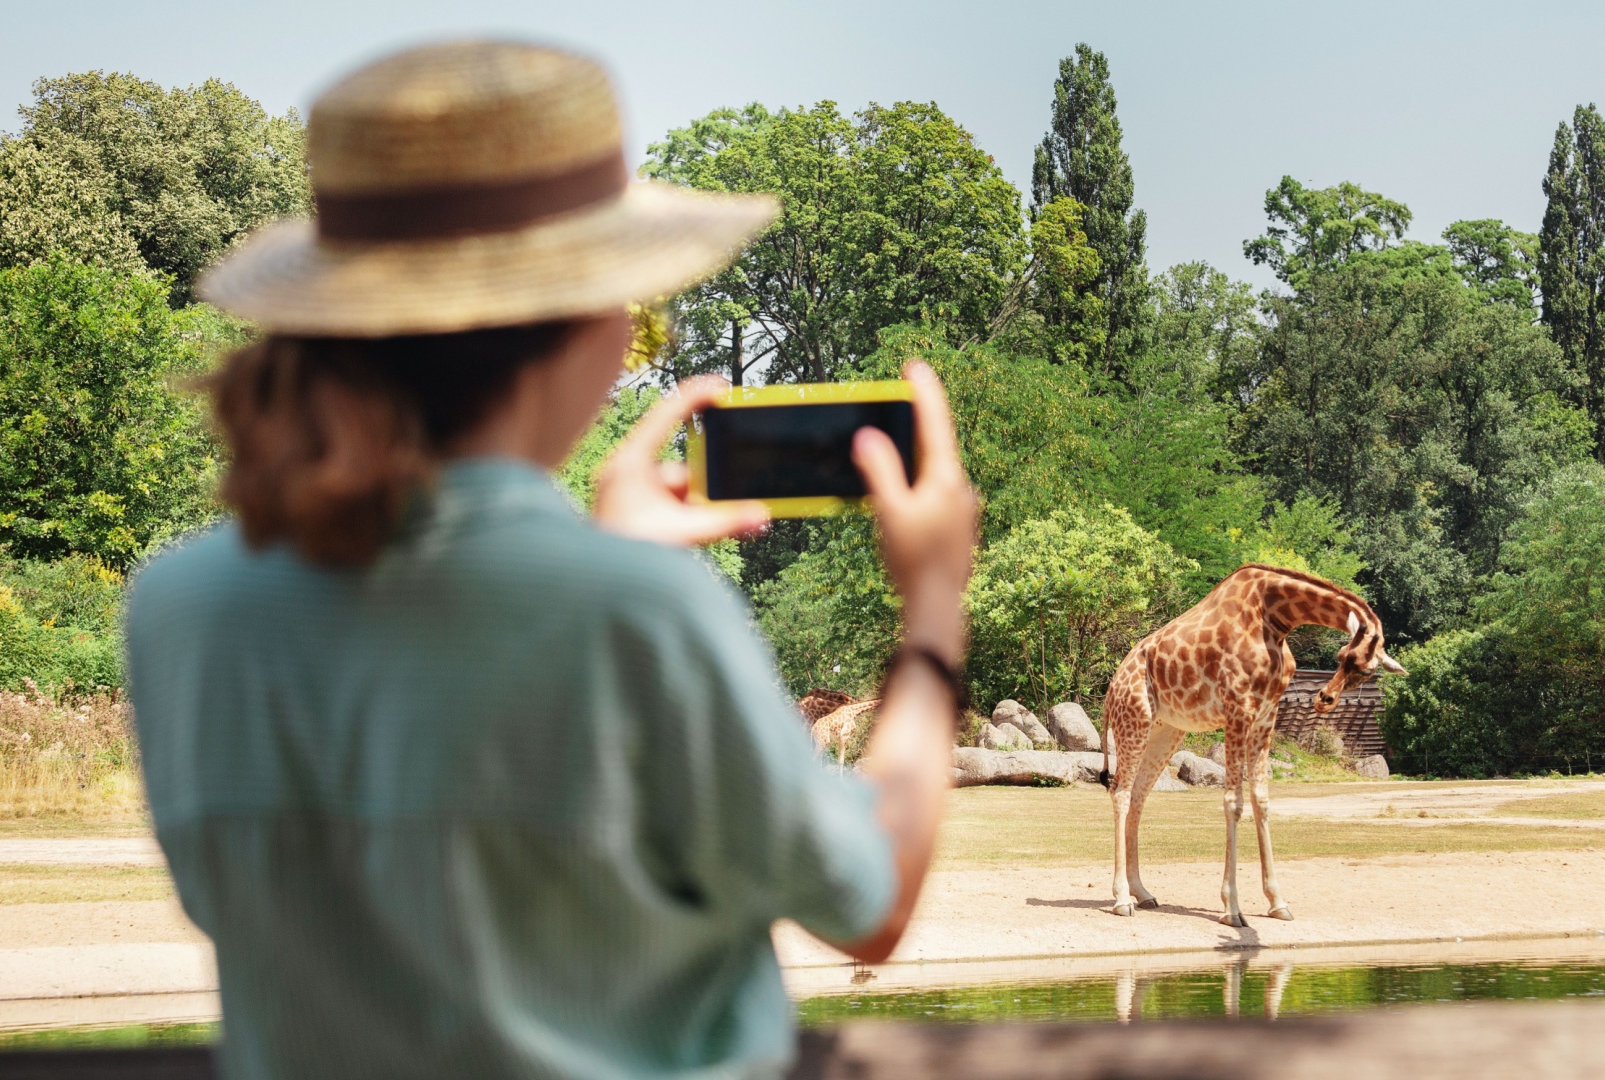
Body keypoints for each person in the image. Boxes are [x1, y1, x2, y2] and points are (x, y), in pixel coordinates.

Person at [124, 40, 978, 1080]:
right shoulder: (639, 612)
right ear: (583, 320)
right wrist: (932, 607)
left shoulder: (178, 606)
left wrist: (598, 560)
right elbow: (872, 898)